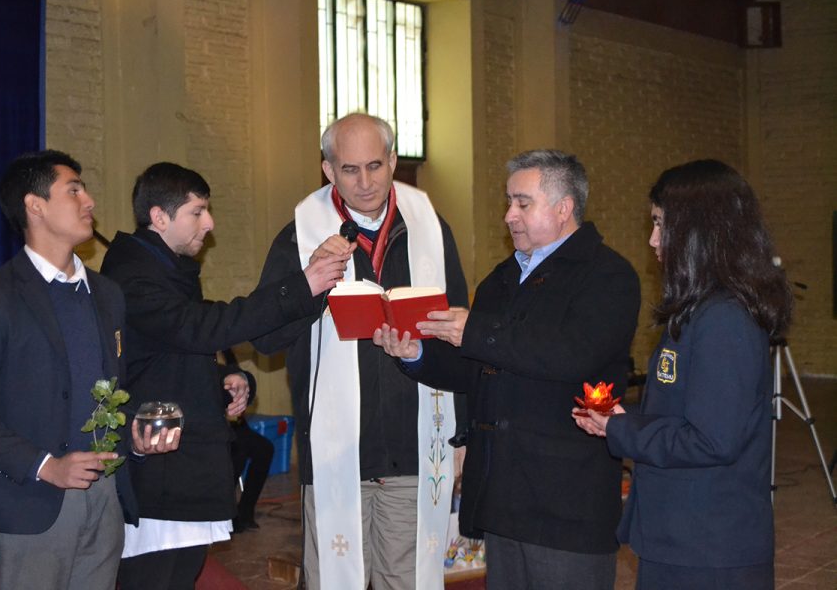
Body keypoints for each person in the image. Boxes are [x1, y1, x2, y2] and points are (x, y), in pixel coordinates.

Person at [375, 149, 641, 589]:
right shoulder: (501, 279)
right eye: (508, 202)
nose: (508, 216)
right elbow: (477, 370)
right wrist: (415, 356)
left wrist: (475, 331)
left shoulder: (607, 276)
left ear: (564, 208)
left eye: (522, 203)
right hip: (503, 493)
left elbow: (573, 354)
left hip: (564, 498)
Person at [100, 162, 348, 589]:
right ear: (159, 216)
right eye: (197, 212)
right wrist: (299, 285)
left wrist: (226, 378)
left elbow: (168, 355)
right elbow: (200, 328)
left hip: (181, 472)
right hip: (157, 476)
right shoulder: (133, 276)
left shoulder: (164, 267)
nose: (209, 223)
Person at [252, 112, 469, 589]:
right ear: (328, 169)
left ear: (393, 161)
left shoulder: (429, 227)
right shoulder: (300, 234)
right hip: (335, 458)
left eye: (376, 165)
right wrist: (308, 283)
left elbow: (462, 338)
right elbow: (265, 341)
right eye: (350, 169)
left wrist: (463, 432)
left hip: (415, 450)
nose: (366, 182)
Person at [0, 150, 179, 590]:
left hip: (105, 498)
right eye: (73, 190)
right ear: (35, 205)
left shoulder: (107, 294)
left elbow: (112, 391)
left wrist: (138, 440)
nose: (88, 200)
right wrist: (45, 466)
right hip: (31, 503)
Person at [573, 159, 793, 589]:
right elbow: (686, 413)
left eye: (660, 224)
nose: (653, 240)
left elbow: (712, 439)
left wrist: (622, 430)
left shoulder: (724, 320)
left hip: (708, 548)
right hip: (683, 537)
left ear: (701, 233)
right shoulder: (700, 311)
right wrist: (623, 419)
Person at [222, 361, 274, 533]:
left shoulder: (226, 353)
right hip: (216, 428)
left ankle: (246, 510)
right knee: (237, 454)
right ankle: (227, 515)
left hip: (236, 425)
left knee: (264, 449)